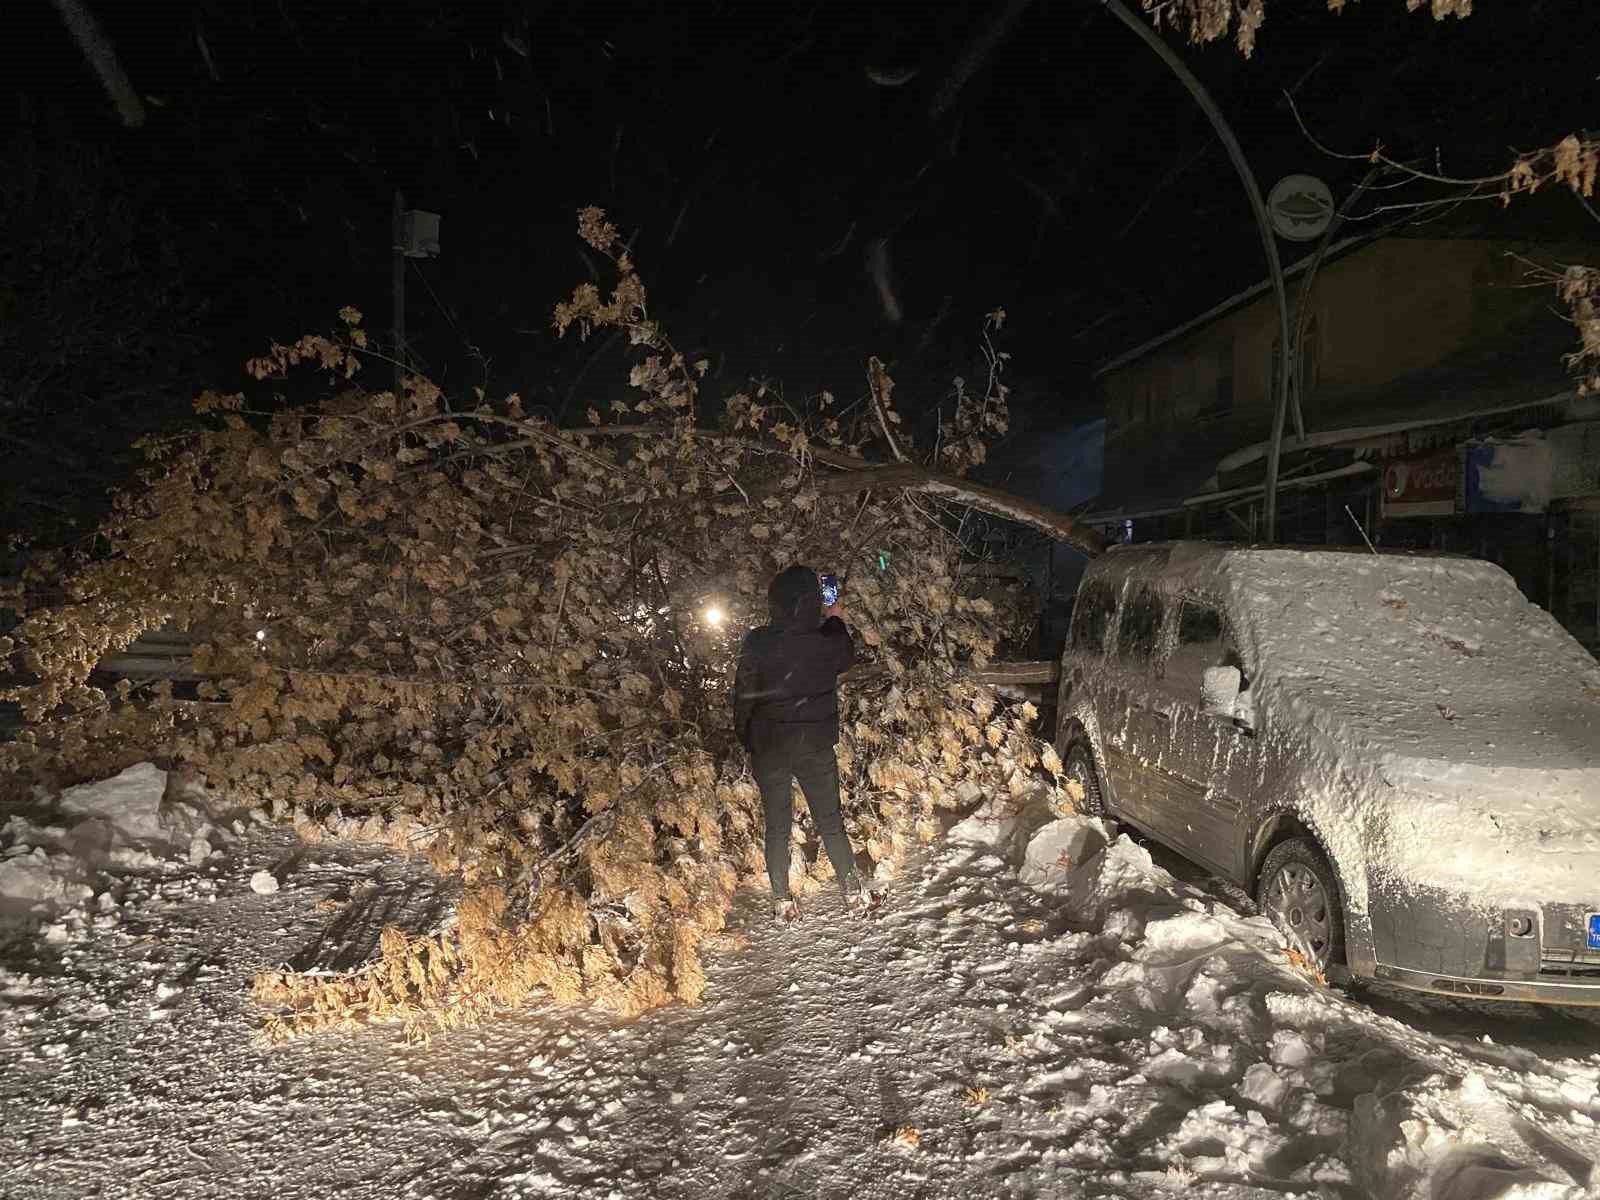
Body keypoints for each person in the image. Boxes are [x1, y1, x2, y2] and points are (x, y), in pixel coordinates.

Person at [733, 565, 875, 923]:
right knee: (830, 821)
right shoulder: (827, 640)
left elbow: (743, 697)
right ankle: (855, 895)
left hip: (770, 747)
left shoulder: (758, 641)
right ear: (812, 601)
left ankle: (783, 902)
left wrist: (747, 739)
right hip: (813, 745)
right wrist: (835, 617)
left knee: (777, 827)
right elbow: (845, 653)